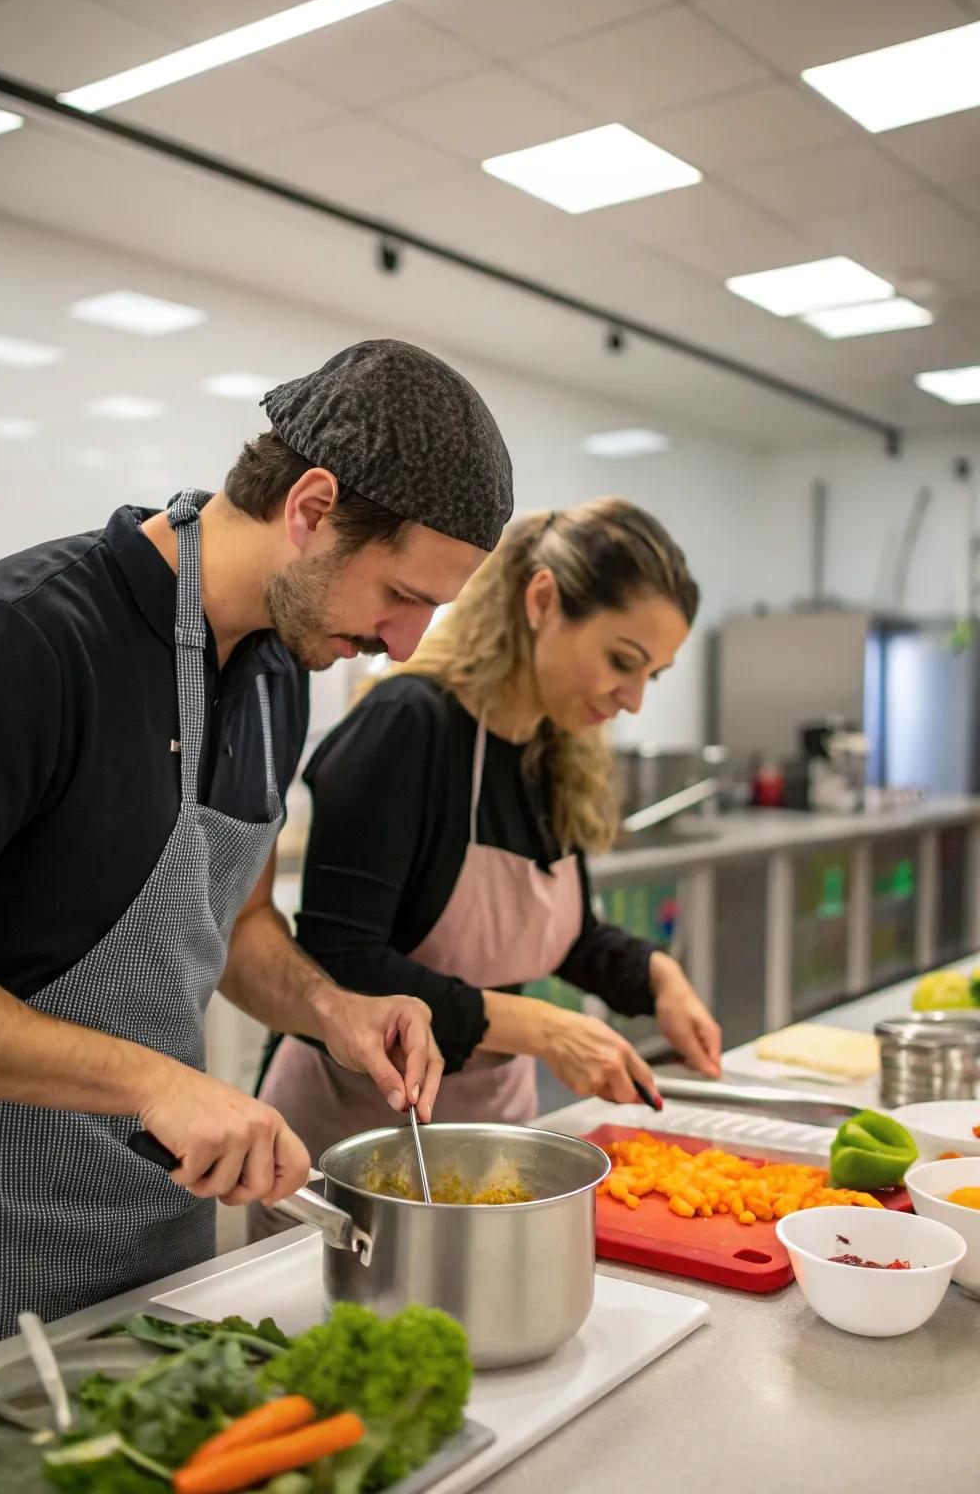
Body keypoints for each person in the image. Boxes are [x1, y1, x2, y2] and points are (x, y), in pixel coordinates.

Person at [0, 338, 513, 1354]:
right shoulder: (25, 639)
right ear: (309, 508)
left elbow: (238, 922)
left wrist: (335, 1011)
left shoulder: (277, 674)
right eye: (404, 594)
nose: (407, 645)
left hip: (154, 1254)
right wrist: (153, 1081)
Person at [253, 498, 722, 1233]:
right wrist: (540, 1027)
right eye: (622, 662)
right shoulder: (408, 727)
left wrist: (657, 977)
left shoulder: (552, 750)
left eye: (650, 677)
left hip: (488, 1136)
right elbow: (339, 963)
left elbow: (563, 936)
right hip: (351, 1139)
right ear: (541, 601)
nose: (630, 700)